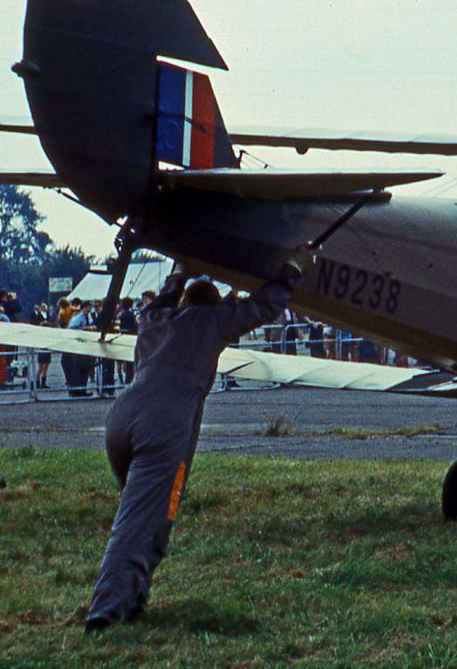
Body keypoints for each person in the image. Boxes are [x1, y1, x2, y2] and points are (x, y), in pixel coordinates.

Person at [86, 254, 305, 632]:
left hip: (121, 416)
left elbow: (165, 295)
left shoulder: (153, 319)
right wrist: (294, 268)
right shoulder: (212, 322)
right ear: (212, 306)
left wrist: (181, 269)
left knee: (158, 512)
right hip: (166, 423)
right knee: (141, 522)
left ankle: (134, 596)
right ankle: (104, 614)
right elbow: (265, 305)